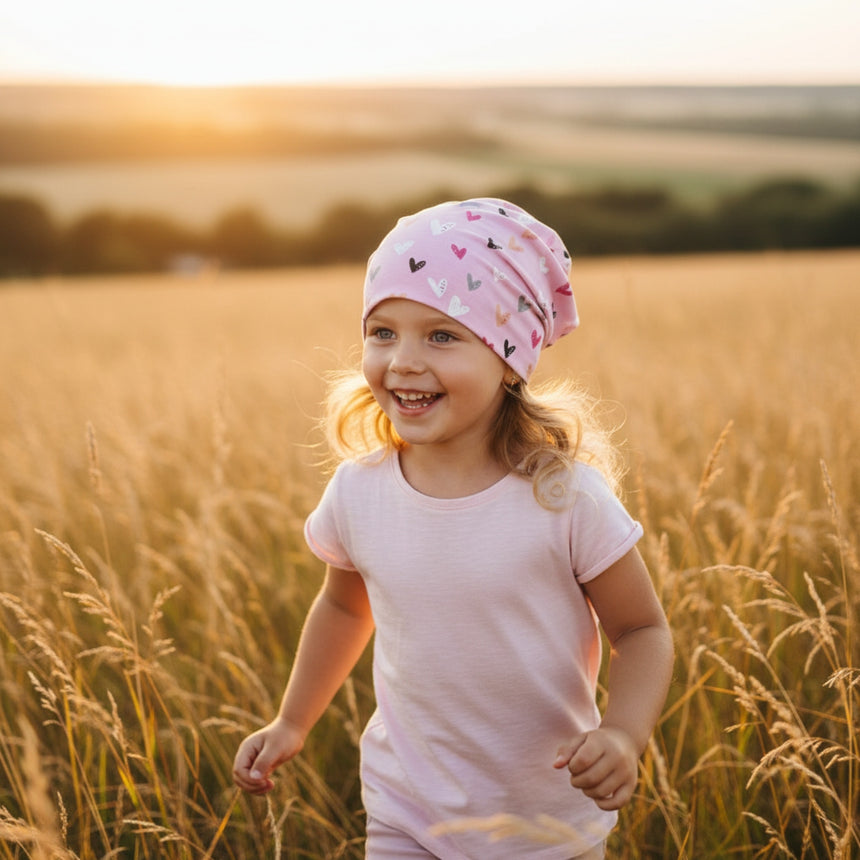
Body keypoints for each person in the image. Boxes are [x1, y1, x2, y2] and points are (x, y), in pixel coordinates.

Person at [233, 197, 674, 859]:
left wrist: (621, 734)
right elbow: (342, 607)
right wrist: (293, 720)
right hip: (406, 810)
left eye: (441, 335)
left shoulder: (564, 498)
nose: (403, 361)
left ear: (510, 359)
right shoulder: (360, 490)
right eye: (383, 332)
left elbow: (642, 631)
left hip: (542, 823)